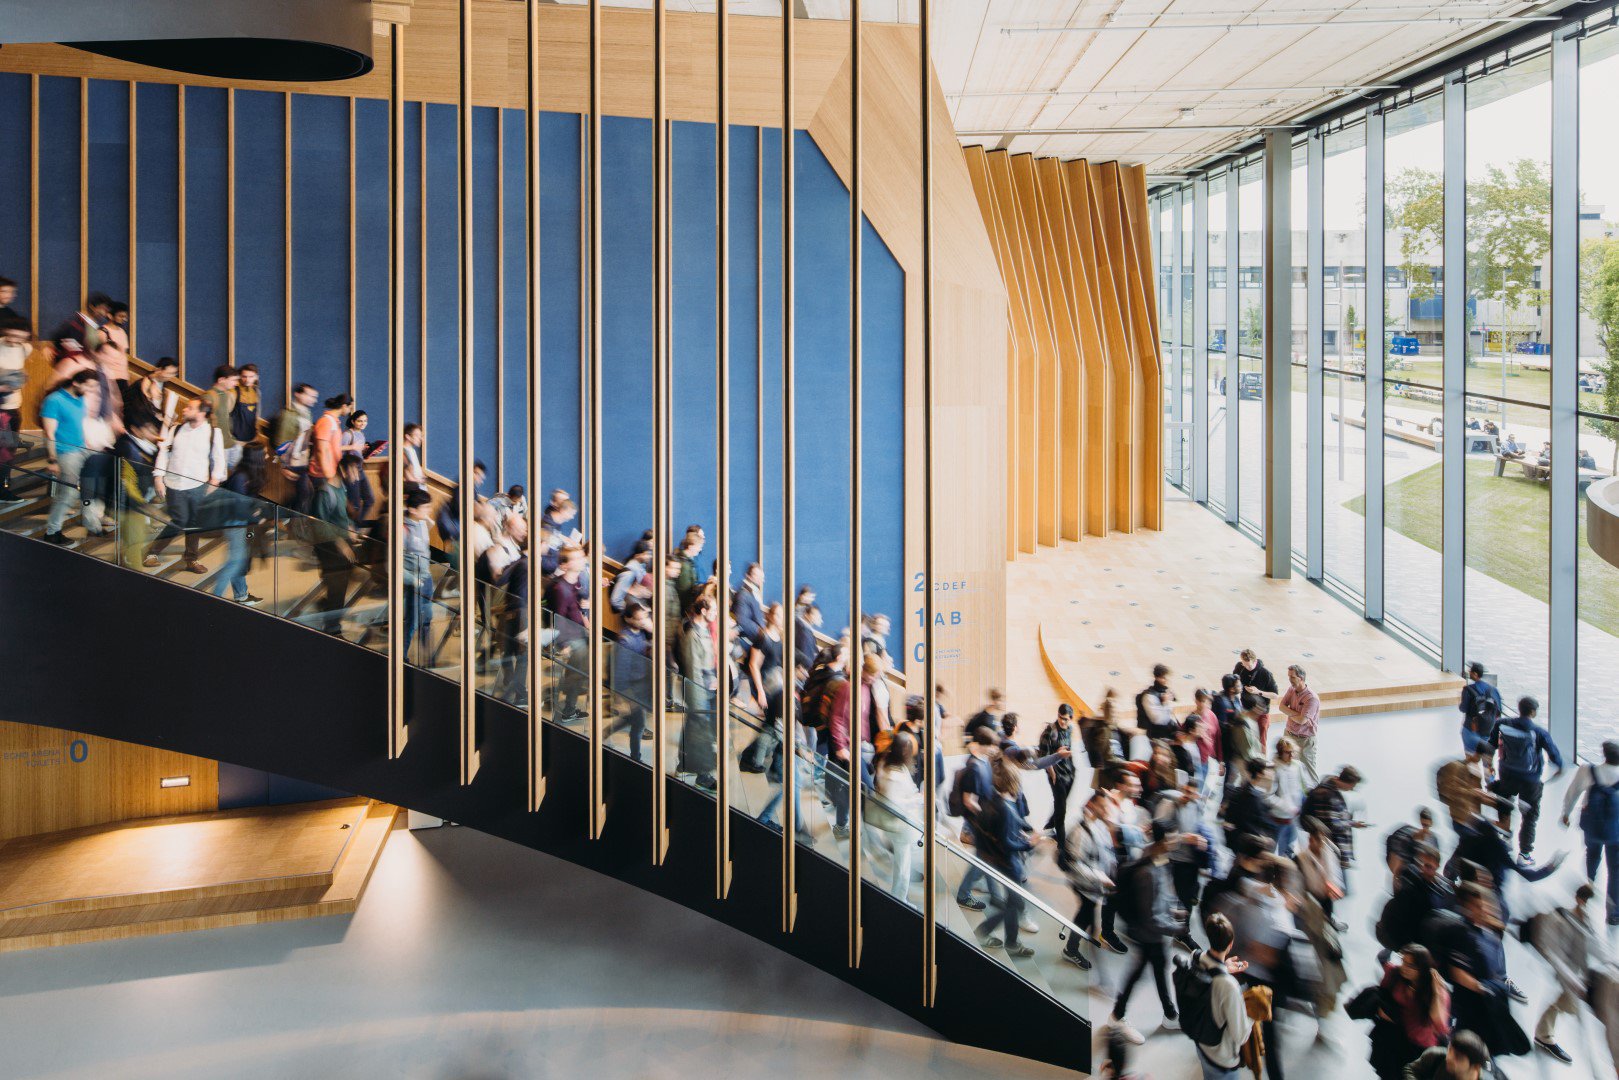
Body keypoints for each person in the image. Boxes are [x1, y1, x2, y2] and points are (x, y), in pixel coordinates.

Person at [1104, 820, 1183, 1046]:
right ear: (1162, 840)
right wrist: (1175, 927)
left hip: (1153, 933)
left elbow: (1161, 896)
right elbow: (1151, 916)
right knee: (1140, 972)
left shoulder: (1158, 858)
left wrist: (1172, 911)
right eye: (1173, 837)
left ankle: (1169, 1013)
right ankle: (1117, 1016)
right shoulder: (1147, 872)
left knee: (1156, 970)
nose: (1177, 841)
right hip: (1148, 934)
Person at [1445, 884, 1531, 1069]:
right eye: (1477, 906)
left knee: (1488, 1046)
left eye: (1484, 905)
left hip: (1490, 1005)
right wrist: (1483, 988)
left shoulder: (1492, 936)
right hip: (1472, 1006)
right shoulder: (1461, 933)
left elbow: (1500, 972)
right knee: (1466, 1049)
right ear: (1467, 907)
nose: (1483, 909)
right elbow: (1457, 972)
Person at [143, 397, 227, 572]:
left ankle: (191, 559)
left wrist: (215, 480)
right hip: (174, 484)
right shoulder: (176, 429)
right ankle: (152, 552)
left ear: (202, 413)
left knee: (194, 522)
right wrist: (158, 477)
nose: (184, 410)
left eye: (190, 408)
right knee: (180, 520)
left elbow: (219, 458)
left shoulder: (213, 433)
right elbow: (164, 453)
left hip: (198, 485)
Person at [1530, 882, 1605, 1065]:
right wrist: (1572, 979)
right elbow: (1555, 954)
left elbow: (1594, 945)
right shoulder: (1561, 920)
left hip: (1577, 975)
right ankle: (1543, 1034)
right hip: (1565, 974)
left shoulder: (1585, 918)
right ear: (1578, 898)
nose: (1585, 906)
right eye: (1584, 901)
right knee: (1564, 1003)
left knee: (1566, 1004)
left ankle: (1543, 1033)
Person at [1177, 911, 1254, 1080]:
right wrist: (1252, 1014)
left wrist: (1223, 967)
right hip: (1221, 1057)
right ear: (1230, 944)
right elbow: (1240, 1035)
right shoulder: (1229, 986)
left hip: (1201, 1043)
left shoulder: (1195, 957)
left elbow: (1207, 981)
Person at [973, 754, 1036, 958]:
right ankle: (987, 932)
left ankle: (1011, 941)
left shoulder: (993, 799)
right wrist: (1029, 843)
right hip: (1008, 863)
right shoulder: (1006, 808)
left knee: (1013, 902)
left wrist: (1023, 830)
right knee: (1014, 904)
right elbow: (1007, 843)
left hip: (997, 860)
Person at [1488, 695, 1562, 864]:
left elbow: (1491, 744)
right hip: (1530, 781)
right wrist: (1558, 770)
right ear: (1533, 712)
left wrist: (1488, 765)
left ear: (1519, 709)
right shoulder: (1539, 732)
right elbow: (1555, 757)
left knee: (1504, 805)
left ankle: (1505, 839)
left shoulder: (1502, 724)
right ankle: (1525, 854)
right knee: (1529, 816)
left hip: (1507, 775)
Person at [1561, 738, 1619, 926]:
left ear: (1604, 754)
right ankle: (1613, 913)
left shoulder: (1588, 771)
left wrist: (1566, 813)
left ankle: (1584, 899)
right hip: (1615, 831)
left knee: (1592, 858)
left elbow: (1572, 792)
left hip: (1592, 828)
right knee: (1615, 869)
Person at [38, 368, 98, 547]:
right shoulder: (54, 400)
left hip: (81, 448)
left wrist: (87, 443)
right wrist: (52, 460)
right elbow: (49, 433)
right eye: (89, 386)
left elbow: (78, 424)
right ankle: (52, 532)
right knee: (68, 493)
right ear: (76, 383)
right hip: (65, 452)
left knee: (93, 484)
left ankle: (91, 522)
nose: (91, 391)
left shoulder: (80, 399)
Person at [1372, 947, 1453, 1077]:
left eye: (1411, 965)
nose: (1404, 967)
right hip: (1395, 1040)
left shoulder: (1437, 992)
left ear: (1423, 968)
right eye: (1403, 961)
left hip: (1419, 1048)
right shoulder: (1395, 975)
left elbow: (1440, 1025)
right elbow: (1382, 995)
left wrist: (1436, 994)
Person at [1061, 791, 1117, 971]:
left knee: (1087, 914)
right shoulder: (1081, 832)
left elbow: (1104, 852)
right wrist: (1098, 876)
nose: (1106, 810)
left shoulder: (1099, 825)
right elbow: (1075, 863)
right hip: (1085, 885)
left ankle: (1081, 941)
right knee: (1084, 915)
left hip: (1095, 885)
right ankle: (1071, 949)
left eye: (1107, 807)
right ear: (1091, 805)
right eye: (1102, 807)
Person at [868, 730, 923, 900]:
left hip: (899, 826)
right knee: (903, 868)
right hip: (900, 827)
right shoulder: (894, 775)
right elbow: (894, 803)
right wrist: (916, 799)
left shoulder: (885, 761)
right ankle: (899, 899)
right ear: (905, 751)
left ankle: (900, 896)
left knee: (903, 863)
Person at [211, 443, 267, 605]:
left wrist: (255, 510)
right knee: (234, 562)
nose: (267, 457)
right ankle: (214, 598)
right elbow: (239, 508)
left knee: (238, 560)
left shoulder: (247, 474)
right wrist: (257, 518)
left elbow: (247, 500)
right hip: (233, 523)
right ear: (256, 458)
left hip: (238, 521)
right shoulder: (240, 477)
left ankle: (241, 595)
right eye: (264, 454)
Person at [951, 728, 1000, 911]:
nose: (994, 749)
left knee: (986, 856)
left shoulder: (984, 761)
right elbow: (968, 801)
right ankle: (964, 895)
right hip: (977, 821)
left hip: (983, 818)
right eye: (991, 746)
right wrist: (985, 819)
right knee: (983, 858)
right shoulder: (974, 767)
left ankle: (993, 894)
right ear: (982, 745)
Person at [677, 593, 719, 790]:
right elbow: (693, 670)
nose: (716, 613)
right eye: (714, 610)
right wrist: (698, 700)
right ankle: (703, 775)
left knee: (693, 727)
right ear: (703, 611)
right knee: (701, 731)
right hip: (698, 691)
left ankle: (683, 764)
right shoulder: (692, 635)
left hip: (707, 687)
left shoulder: (703, 630)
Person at [1302, 766, 1364, 882]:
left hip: (1334, 852)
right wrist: (1352, 823)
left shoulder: (1332, 792)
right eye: (1352, 785)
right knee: (1336, 888)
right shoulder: (1327, 794)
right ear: (1347, 782)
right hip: (1331, 852)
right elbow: (1333, 824)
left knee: (1338, 888)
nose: (1352, 789)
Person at [610, 603, 654, 764]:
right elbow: (620, 673)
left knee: (633, 719)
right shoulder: (625, 641)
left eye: (644, 618)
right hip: (632, 688)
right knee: (639, 724)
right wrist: (624, 697)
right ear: (629, 619)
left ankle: (607, 731)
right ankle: (636, 757)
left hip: (641, 684)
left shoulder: (640, 633)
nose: (643, 622)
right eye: (639, 619)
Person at [401, 487, 436, 663]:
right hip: (414, 582)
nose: (429, 511)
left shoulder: (422, 523)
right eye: (425, 507)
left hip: (427, 578)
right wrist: (412, 580)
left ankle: (428, 657)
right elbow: (393, 565)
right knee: (412, 622)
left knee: (427, 618)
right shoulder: (403, 530)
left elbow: (431, 525)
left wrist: (426, 517)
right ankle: (402, 655)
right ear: (413, 510)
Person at [272, 382, 317, 509]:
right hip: (292, 462)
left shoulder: (307, 413)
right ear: (297, 394)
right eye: (309, 395)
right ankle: (288, 518)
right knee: (304, 493)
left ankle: (286, 516)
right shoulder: (288, 414)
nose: (313, 400)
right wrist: (283, 466)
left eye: (314, 397)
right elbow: (281, 441)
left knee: (306, 493)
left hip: (303, 460)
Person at [0, 313, 30, 502]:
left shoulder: (25, 348)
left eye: (20, 338)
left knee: (8, 451)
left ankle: (4, 487)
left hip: (13, 406)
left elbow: (21, 372)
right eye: (12, 336)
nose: (15, 341)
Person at [1039, 704, 1078, 846]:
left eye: (1065, 719)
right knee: (1061, 810)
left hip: (1069, 773)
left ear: (1070, 719)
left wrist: (1073, 771)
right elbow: (1043, 756)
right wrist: (1052, 773)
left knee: (1060, 804)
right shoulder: (1049, 731)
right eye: (1060, 717)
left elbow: (1069, 750)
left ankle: (1049, 827)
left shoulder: (1070, 730)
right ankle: (1061, 844)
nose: (1062, 721)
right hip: (1057, 775)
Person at [1277, 665, 1320, 783]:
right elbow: (1281, 706)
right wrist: (1296, 715)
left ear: (1301, 678)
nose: (1289, 679)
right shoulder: (1291, 689)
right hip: (1289, 735)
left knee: (1309, 774)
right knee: (1285, 766)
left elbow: (1302, 721)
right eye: (1289, 676)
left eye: (1292, 677)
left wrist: (1289, 712)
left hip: (1304, 740)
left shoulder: (1311, 698)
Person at [1403, 1031, 1489, 1080]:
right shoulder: (1436, 1056)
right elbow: (1410, 1069)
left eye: (1458, 1057)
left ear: (1476, 1067)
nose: (1449, 1058)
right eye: (1450, 1049)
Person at [1458, 662, 1502, 755]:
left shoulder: (1468, 690)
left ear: (1475, 674)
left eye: (1470, 671)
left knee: (1470, 757)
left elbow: (1463, 709)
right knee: (1485, 755)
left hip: (1471, 728)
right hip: (1488, 730)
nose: (1469, 672)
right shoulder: (1493, 690)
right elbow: (1499, 710)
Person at [202, 365, 242, 468]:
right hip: (218, 447)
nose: (236, 383)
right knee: (219, 475)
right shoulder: (208, 397)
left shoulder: (227, 395)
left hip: (231, 442)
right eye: (233, 380)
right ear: (221, 380)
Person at [127, 356, 179, 431]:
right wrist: (160, 419)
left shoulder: (162, 384)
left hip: (151, 421)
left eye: (173, 374)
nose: (171, 377)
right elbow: (140, 409)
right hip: (139, 423)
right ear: (158, 370)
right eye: (169, 373)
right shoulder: (143, 384)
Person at [1233, 649, 1279, 729]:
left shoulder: (1265, 674)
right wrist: (1239, 687)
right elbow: (1234, 682)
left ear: (1255, 661)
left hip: (1261, 712)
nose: (1246, 668)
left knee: (1261, 735)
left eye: (1249, 666)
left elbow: (1275, 696)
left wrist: (1258, 692)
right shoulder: (1240, 667)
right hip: (1246, 709)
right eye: (1244, 664)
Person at [1137, 663, 1179, 741]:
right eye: (1164, 678)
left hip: (1165, 729)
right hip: (1156, 735)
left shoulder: (1164, 691)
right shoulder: (1149, 696)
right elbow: (1159, 720)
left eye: (1167, 678)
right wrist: (1165, 703)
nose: (1166, 680)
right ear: (1157, 678)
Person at [400, 422, 426, 494]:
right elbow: (407, 476)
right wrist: (419, 481)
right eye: (417, 435)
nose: (420, 439)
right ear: (407, 436)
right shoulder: (402, 452)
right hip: (414, 491)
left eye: (421, 436)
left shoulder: (412, 450)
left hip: (420, 487)